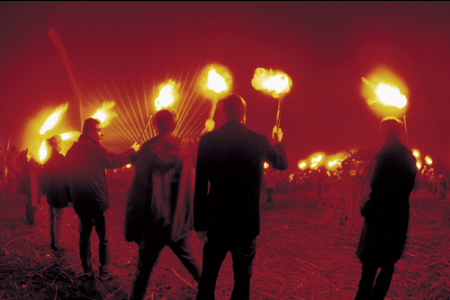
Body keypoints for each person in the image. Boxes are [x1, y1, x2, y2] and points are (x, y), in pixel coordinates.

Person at [194, 94, 288, 300]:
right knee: (242, 279)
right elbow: (281, 163)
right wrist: (278, 142)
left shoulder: (208, 140)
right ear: (244, 114)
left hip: (216, 220)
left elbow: (200, 184)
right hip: (245, 223)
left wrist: (199, 224)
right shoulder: (259, 140)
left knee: (208, 276)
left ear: (223, 113)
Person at [125, 109, 202, 300]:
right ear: (174, 124)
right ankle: (209, 294)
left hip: (154, 222)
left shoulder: (147, 151)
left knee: (142, 273)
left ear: (155, 125)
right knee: (194, 264)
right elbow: (201, 146)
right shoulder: (186, 147)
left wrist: (133, 226)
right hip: (178, 221)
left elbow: (140, 192)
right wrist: (206, 132)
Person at [66, 118, 137, 280]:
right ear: (89, 131)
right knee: (104, 238)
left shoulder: (72, 151)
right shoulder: (95, 149)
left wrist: (71, 196)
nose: (102, 133)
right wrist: (131, 151)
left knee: (84, 238)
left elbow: (67, 175)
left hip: (80, 202)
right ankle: (105, 271)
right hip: (97, 201)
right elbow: (114, 160)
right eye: (99, 130)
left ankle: (87, 270)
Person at [355, 117, 417, 300]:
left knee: (369, 270)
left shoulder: (386, 155)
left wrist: (366, 209)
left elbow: (377, 185)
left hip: (380, 219)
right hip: (398, 216)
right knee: (388, 266)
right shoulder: (409, 156)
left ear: (383, 132)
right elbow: (409, 185)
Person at [40, 135, 71, 251]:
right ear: (57, 144)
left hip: (50, 193)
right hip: (58, 193)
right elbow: (64, 177)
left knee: (52, 218)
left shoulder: (47, 158)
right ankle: (58, 244)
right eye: (61, 142)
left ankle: (52, 241)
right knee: (58, 219)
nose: (62, 144)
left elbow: (43, 176)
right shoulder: (60, 158)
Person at [18, 149, 42, 225]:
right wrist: (40, 166)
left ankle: (28, 219)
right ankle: (30, 220)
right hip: (32, 181)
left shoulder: (28, 164)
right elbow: (36, 168)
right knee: (32, 201)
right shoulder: (31, 165)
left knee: (30, 200)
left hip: (31, 181)